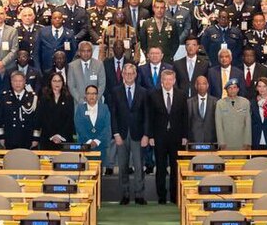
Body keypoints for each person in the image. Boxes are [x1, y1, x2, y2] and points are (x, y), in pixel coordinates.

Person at [146, 69, 188, 204]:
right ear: (161, 81)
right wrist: (150, 136)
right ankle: (162, 196)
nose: (168, 82)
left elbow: (185, 117)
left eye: (170, 79)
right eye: (165, 79)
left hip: (176, 137)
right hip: (159, 137)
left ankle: (175, 196)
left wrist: (185, 135)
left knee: (175, 168)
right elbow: (150, 117)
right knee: (161, 167)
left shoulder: (182, 95)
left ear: (174, 81)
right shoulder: (153, 95)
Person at [109, 63, 147, 205]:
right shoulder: (115, 91)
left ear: (136, 75)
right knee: (123, 166)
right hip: (122, 135)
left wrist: (146, 135)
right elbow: (113, 114)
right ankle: (124, 194)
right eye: (127, 73)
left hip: (138, 134)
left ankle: (139, 195)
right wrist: (116, 133)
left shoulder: (143, 91)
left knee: (138, 165)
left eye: (132, 73)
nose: (129, 76)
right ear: (123, 75)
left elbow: (146, 115)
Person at [0, 72, 40, 150]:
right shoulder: (5, 97)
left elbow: (37, 120)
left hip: (27, 137)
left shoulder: (32, 97)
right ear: (11, 82)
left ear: (25, 82)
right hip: (10, 137)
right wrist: (1, 137)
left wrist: (35, 138)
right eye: (15, 81)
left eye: (20, 81)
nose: (18, 83)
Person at [75, 84, 112, 165]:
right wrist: (89, 141)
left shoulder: (104, 108)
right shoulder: (80, 108)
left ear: (97, 95)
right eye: (89, 93)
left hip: (100, 145)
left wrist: (96, 141)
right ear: (85, 95)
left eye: (94, 93)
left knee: (99, 173)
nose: (91, 96)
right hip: (84, 145)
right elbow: (79, 126)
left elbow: (107, 126)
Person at [38, 72, 75, 150]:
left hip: (64, 138)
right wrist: (53, 135)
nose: (57, 83)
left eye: (59, 81)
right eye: (54, 81)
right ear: (50, 82)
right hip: (47, 138)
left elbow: (69, 119)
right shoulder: (44, 98)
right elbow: (42, 118)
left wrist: (59, 136)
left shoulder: (68, 98)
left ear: (63, 83)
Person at [215, 79, 251, 150]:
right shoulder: (220, 103)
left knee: (241, 161)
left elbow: (248, 124)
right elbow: (218, 124)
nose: (232, 90)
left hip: (242, 143)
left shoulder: (245, 102)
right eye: (230, 88)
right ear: (226, 90)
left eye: (234, 87)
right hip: (226, 143)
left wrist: (248, 142)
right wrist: (221, 142)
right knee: (226, 161)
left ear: (238, 89)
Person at [187, 75, 218, 143]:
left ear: (207, 85)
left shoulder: (215, 101)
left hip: (211, 138)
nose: (201, 86)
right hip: (194, 139)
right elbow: (187, 122)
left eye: (204, 84)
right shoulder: (189, 102)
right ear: (195, 86)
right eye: (199, 84)